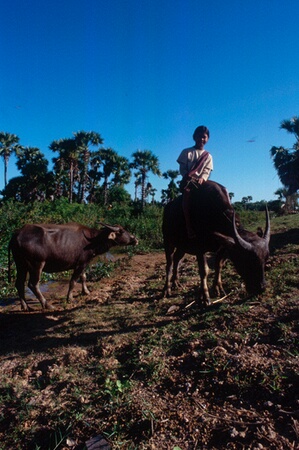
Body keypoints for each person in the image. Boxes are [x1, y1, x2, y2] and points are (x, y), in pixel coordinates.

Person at [177, 125, 213, 239]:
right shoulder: (187, 152)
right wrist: (188, 176)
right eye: (199, 136)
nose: (202, 139)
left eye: (204, 137)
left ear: (207, 139)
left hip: (202, 182)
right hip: (188, 182)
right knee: (187, 195)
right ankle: (188, 226)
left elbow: (207, 170)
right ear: (194, 137)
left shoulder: (208, 156)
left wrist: (203, 178)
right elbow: (182, 168)